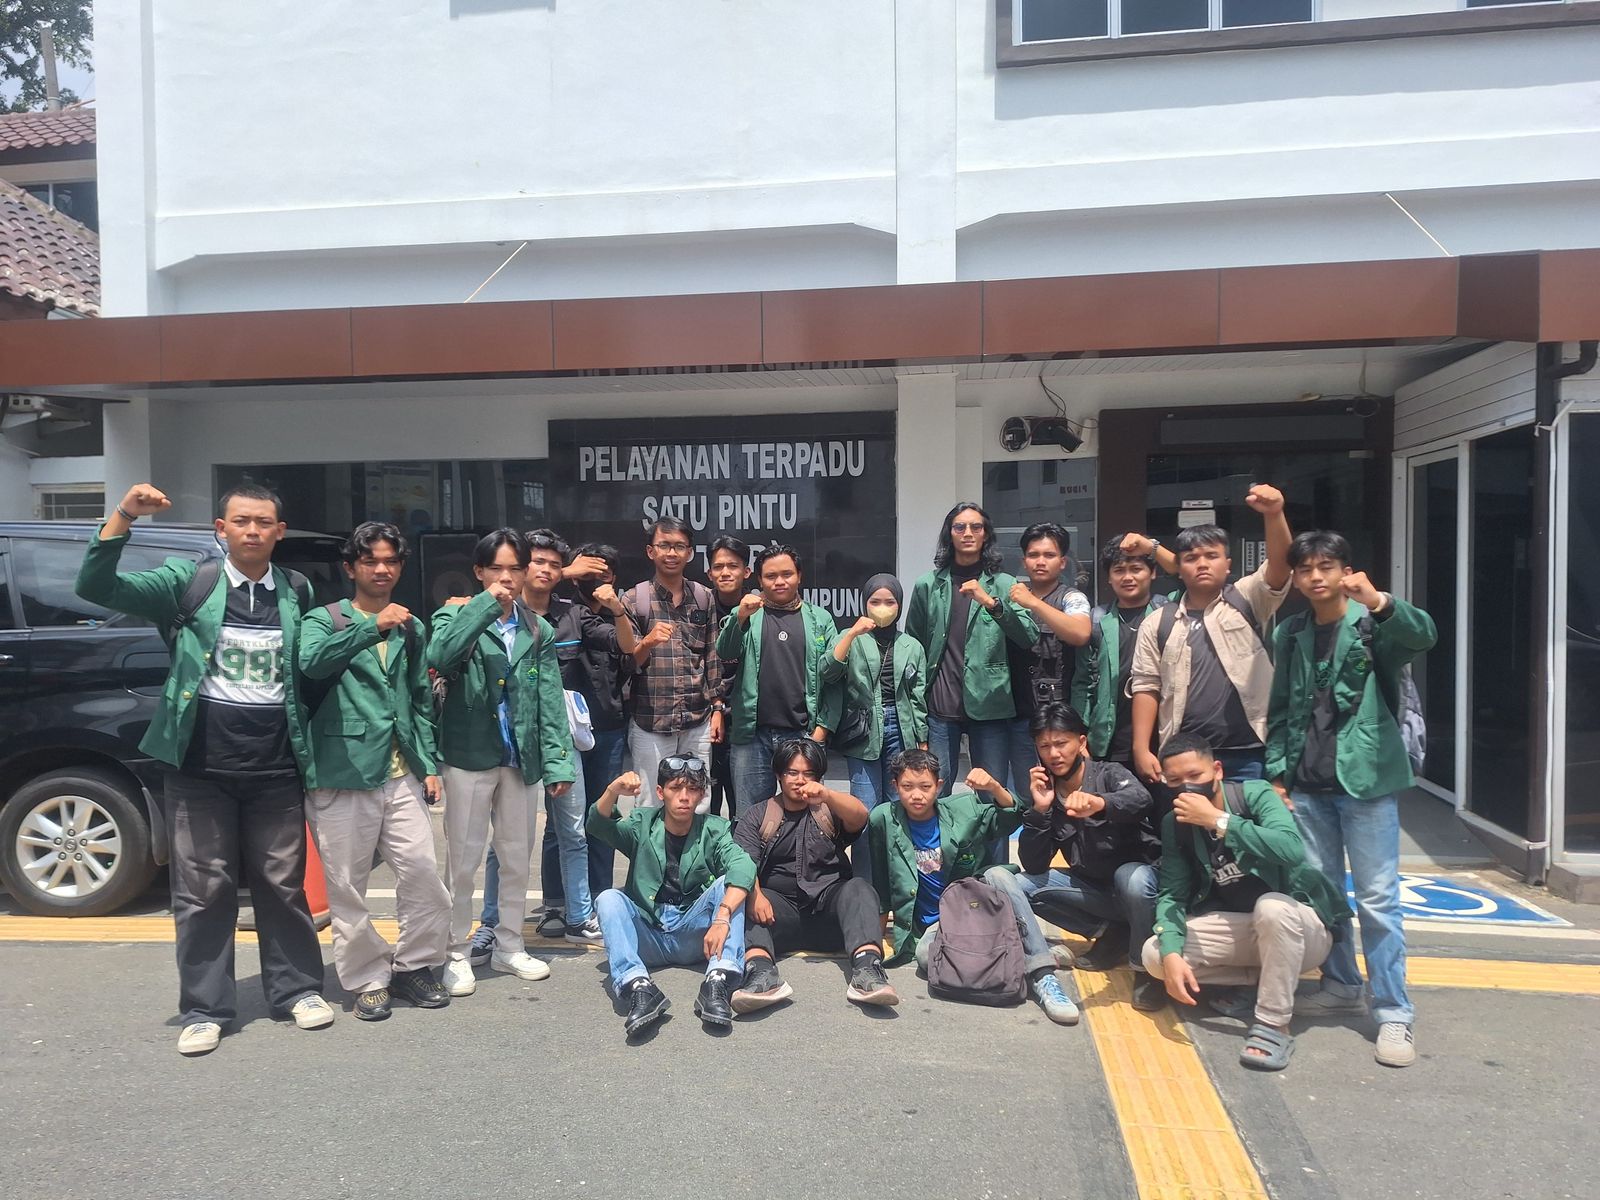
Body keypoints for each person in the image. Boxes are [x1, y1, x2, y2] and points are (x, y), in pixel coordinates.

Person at [75, 482, 332, 1056]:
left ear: (279, 532)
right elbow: (95, 586)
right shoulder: (188, 582)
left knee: (282, 885)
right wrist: (124, 515)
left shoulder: (297, 590)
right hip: (199, 767)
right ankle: (205, 1008)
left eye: (263, 522)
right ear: (221, 529)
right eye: (241, 521)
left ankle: (296, 991)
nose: (252, 531)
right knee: (202, 891)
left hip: (275, 767)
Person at [1266, 531, 1438, 1068]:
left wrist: (1381, 601)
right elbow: (1281, 707)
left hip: (1366, 784)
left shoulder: (1371, 625)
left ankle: (1393, 1012)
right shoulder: (1291, 632)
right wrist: (1278, 776)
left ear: (1346, 570)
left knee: (1378, 901)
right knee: (1323, 896)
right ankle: (1341, 984)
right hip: (1307, 785)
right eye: (1306, 569)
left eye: (1327, 566)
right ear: (1296, 578)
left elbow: (1423, 636)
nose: (1316, 576)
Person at [296, 522, 452, 1021]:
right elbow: (310, 663)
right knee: (347, 887)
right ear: (351, 568)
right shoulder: (324, 619)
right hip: (341, 773)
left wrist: (428, 763)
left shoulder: (412, 626)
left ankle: (414, 965)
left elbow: (420, 700)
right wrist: (371, 627)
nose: (381, 569)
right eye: (370, 561)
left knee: (424, 875)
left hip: (400, 773)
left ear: (400, 567)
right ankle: (367, 977)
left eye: (390, 561)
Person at [471, 529, 637, 953]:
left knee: (573, 831)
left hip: (560, 740)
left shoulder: (572, 613)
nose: (545, 571)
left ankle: (578, 917)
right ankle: (491, 922)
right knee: (505, 839)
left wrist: (617, 609)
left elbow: (622, 645)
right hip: (511, 741)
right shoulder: (501, 612)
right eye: (537, 563)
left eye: (554, 564)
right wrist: (569, 571)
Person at [1142, 733, 1350, 1071]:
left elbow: (1291, 849)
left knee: (1272, 907)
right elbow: (1173, 894)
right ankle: (1261, 984)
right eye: (1175, 781)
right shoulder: (1175, 823)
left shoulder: (1255, 794)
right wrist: (1171, 953)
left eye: (1195, 775)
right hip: (1245, 930)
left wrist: (1218, 820)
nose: (1186, 787)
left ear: (1217, 771)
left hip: (1300, 929)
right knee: (1155, 955)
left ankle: (1274, 1023)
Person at [428, 529, 576, 996]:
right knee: (463, 860)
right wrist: (482, 607)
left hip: (519, 758)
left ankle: (509, 945)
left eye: (515, 568)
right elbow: (440, 655)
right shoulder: (455, 613)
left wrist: (558, 763)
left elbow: (550, 698)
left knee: (515, 857)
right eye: (496, 569)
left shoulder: (537, 628)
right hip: (468, 755)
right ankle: (455, 951)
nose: (507, 578)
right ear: (479, 571)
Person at [868, 749, 1079, 1024]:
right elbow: (881, 882)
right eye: (907, 787)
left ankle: (1043, 976)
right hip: (936, 927)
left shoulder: (963, 809)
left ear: (939, 786)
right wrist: (873, 944)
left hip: (975, 910)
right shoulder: (883, 818)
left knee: (999, 875)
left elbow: (1010, 817)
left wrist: (994, 787)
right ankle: (1030, 949)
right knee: (925, 957)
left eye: (925, 787)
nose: (916, 795)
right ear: (895, 786)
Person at [1127, 484, 1292, 787]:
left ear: (1227, 565)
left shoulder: (1247, 599)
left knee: (1250, 819)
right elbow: (1146, 685)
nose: (1202, 563)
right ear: (1178, 568)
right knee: (1189, 820)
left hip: (1251, 753)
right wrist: (1140, 747)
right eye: (1191, 558)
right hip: (1185, 759)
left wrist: (1274, 514)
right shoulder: (1158, 622)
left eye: (1211, 556)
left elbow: (1281, 567)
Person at [588, 758, 756, 1038]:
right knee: (608, 898)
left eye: (692, 789)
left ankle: (718, 981)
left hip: (696, 937)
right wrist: (612, 790)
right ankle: (638, 987)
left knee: (729, 885)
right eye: (676, 788)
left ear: (702, 795)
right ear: (660, 792)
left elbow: (743, 866)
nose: (684, 797)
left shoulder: (715, 829)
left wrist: (722, 916)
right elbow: (598, 825)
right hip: (648, 936)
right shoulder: (642, 824)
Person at [726, 739, 895, 1012]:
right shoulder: (758, 815)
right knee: (745, 897)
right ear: (779, 775)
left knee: (859, 888)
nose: (800, 780)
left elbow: (860, 816)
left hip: (830, 913)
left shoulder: (826, 809)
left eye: (808, 774)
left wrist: (827, 795)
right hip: (777, 913)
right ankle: (762, 974)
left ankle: (868, 973)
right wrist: (756, 895)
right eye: (792, 773)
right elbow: (741, 864)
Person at [1011, 703, 1162, 1004]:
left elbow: (1140, 799)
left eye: (1061, 743)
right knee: (1020, 885)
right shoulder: (1048, 792)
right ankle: (1113, 933)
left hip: (1140, 891)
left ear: (1081, 742)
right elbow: (1035, 863)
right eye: (1045, 746)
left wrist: (1101, 803)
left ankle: (1146, 968)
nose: (1054, 754)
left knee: (1132, 878)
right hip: (1095, 892)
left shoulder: (1109, 774)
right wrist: (1040, 810)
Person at [905, 502, 1037, 805]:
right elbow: (914, 645)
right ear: (949, 534)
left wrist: (991, 603)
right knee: (934, 793)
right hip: (940, 705)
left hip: (990, 705)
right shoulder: (928, 585)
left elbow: (1027, 636)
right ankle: (941, 840)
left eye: (976, 527)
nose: (968, 533)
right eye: (959, 527)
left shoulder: (1004, 584)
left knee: (991, 794)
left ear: (985, 534)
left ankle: (992, 841)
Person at [818, 572, 928, 888]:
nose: (882, 607)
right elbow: (827, 671)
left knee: (899, 810)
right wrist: (853, 632)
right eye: (875, 601)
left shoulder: (911, 645)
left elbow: (918, 697)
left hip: (902, 731)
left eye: (889, 602)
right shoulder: (852, 637)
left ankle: (898, 884)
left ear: (899, 605)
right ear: (864, 604)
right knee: (864, 811)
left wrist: (922, 743)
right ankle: (865, 885)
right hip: (864, 732)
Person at [717, 544, 838, 816]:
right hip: (752, 736)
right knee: (749, 817)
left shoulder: (820, 619)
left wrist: (822, 730)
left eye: (787, 574)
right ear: (759, 580)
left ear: (799, 576)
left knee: (809, 815)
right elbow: (725, 651)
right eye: (771, 576)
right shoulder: (748, 613)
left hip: (802, 734)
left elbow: (833, 678)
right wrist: (740, 617)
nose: (779, 581)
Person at [624, 516, 724, 813]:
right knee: (650, 803)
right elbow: (628, 663)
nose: (672, 553)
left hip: (697, 719)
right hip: (651, 720)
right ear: (650, 551)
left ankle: (694, 848)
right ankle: (652, 848)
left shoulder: (704, 597)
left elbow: (712, 655)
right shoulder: (635, 599)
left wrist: (718, 708)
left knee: (698, 801)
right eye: (664, 545)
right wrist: (647, 642)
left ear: (690, 552)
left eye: (679, 546)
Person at [1003, 523, 1091, 802]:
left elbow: (1080, 633)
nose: (1040, 561)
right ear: (1024, 561)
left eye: (1049, 555)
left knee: (1070, 794)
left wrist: (1034, 603)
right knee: (1028, 794)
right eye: (1033, 555)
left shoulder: (1071, 597)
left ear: (1062, 562)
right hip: (1019, 716)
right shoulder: (1011, 598)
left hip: (1061, 717)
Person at [1072, 536, 1170, 775]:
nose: (1127, 577)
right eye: (1119, 571)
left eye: (1136, 569)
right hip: (1110, 739)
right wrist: (1079, 734)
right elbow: (1083, 683)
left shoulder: (1170, 612)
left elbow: (1186, 571)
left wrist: (1152, 547)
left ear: (1152, 572)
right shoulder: (1097, 620)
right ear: (1109, 577)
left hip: (1163, 737)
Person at [705, 535, 753, 818]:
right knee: (706, 797)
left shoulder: (759, 607)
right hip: (707, 716)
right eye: (718, 566)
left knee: (742, 801)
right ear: (709, 573)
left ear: (746, 571)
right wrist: (717, 706)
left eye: (733, 566)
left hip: (745, 718)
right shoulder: (699, 606)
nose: (725, 572)